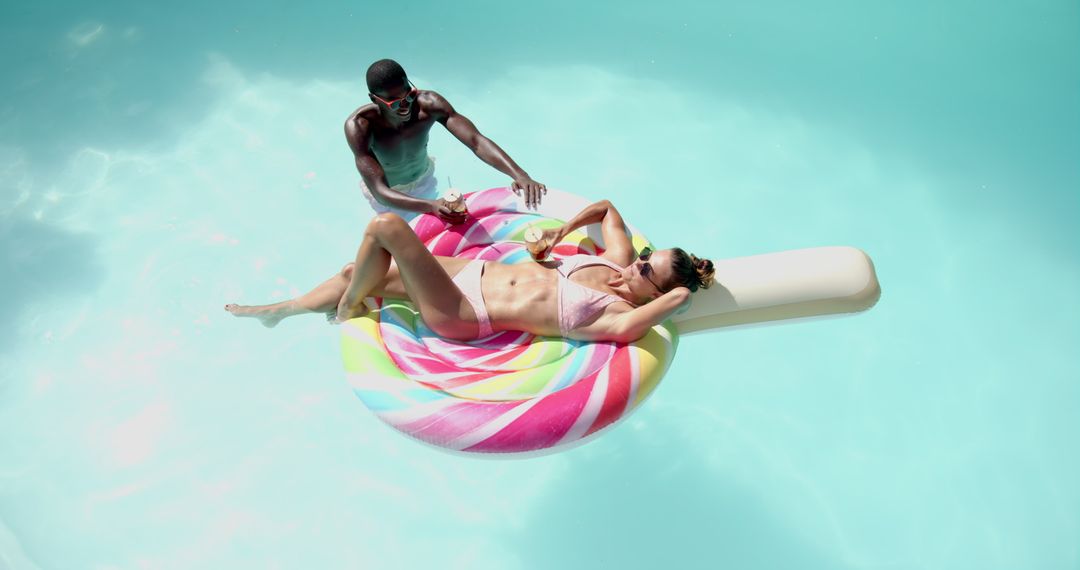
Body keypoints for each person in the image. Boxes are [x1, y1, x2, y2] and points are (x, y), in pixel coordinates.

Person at [225, 200, 715, 343]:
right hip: (474, 271)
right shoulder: (613, 262)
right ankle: (280, 311)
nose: (638, 265)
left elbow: (679, 300)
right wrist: (561, 234)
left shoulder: (614, 318)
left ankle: (349, 307)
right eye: (646, 259)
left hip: (467, 310)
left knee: (386, 227)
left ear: (655, 296)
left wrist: (678, 290)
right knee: (356, 266)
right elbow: (608, 209)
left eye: (647, 272)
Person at [347, 59, 547, 223]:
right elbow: (380, 191)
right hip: (392, 194)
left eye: (409, 94)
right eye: (395, 102)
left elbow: (476, 141)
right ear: (374, 99)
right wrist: (430, 206)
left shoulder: (429, 105)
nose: (406, 105)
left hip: (424, 177)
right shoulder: (361, 127)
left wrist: (520, 174)